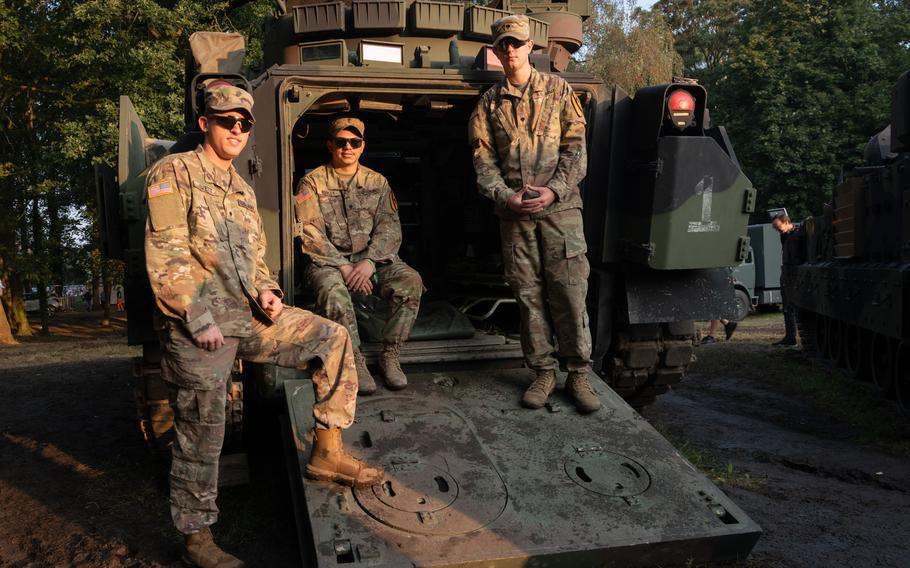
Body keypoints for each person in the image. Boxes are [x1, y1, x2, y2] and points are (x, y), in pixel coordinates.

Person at [145, 84, 381, 568]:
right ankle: (196, 538)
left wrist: (268, 291)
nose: (236, 129)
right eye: (226, 120)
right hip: (199, 326)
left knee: (331, 338)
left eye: (244, 123)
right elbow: (166, 255)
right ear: (205, 122)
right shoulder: (174, 172)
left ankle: (327, 452)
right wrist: (197, 316)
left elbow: (253, 260)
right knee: (202, 431)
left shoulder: (241, 188)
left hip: (248, 317)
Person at [468, 15, 600, 414]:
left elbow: (576, 150)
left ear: (531, 48)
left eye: (516, 43)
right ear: (497, 51)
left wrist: (554, 189)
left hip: (560, 213)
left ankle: (578, 373)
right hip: (515, 217)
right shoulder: (489, 104)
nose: (510, 50)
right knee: (528, 297)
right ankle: (542, 372)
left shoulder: (559, 91)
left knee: (570, 293)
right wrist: (505, 197)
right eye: (503, 44)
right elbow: (483, 161)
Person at [295, 117, 423, 394]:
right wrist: (343, 266)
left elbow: (390, 228)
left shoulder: (377, 182)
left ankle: (391, 355)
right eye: (341, 142)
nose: (348, 148)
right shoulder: (312, 182)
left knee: (410, 281)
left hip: (372, 261)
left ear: (362, 146)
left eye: (355, 142)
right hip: (329, 263)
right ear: (330, 145)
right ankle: (355, 360)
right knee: (332, 292)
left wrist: (369, 262)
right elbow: (310, 233)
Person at [772, 212, 798, 346]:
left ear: (787, 222)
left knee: (793, 307)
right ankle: (790, 337)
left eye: (779, 227)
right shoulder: (784, 236)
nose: (778, 231)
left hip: (795, 273)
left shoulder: (799, 234)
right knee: (787, 308)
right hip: (787, 272)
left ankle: (791, 337)